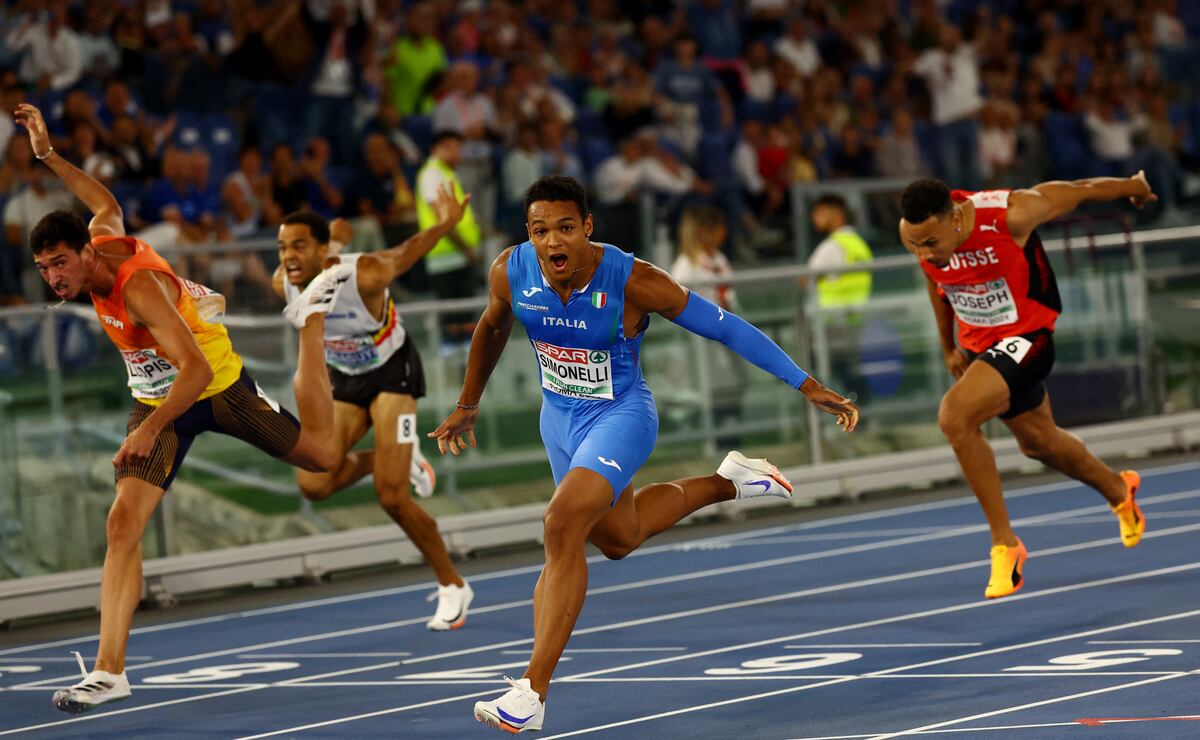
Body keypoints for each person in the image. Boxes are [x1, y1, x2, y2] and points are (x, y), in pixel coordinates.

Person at [429, 175, 859, 733]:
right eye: (540, 231)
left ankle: (531, 692)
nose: (554, 242)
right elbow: (491, 326)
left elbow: (726, 329)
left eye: (565, 228)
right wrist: (467, 402)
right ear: (528, 236)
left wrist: (807, 385)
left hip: (622, 416)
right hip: (558, 421)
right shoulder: (510, 271)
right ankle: (732, 481)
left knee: (562, 525)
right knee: (618, 537)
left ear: (588, 227)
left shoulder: (634, 280)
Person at [15, 102, 342, 714]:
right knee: (121, 525)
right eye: (42, 269)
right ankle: (110, 671)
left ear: (84, 256)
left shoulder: (139, 287)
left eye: (60, 263)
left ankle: (309, 326)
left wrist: (151, 431)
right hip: (154, 400)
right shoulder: (100, 239)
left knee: (322, 457)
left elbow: (191, 371)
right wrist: (46, 155)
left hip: (215, 389)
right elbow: (105, 202)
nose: (53, 279)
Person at [897, 173, 1155, 600]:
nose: (924, 252)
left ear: (956, 218)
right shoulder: (915, 231)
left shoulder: (1011, 214)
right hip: (983, 347)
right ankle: (1118, 488)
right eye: (914, 244)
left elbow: (1081, 191)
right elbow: (936, 285)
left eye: (930, 243)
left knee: (955, 418)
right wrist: (948, 346)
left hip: (1030, 337)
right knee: (1039, 443)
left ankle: (1005, 544)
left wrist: (1134, 185)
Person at [273, 185, 477, 630]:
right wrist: (332, 243)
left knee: (392, 498)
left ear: (323, 249)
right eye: (282, 247)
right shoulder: (283, 283)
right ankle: (395, 458)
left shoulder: (365, 274)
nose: (288, 257)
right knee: (313, 481)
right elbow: (309, 267)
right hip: (346, 378)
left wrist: (446, 222)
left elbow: (409, 249)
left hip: (393, 373)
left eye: (299, 246)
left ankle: (453, 586)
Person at [807, 194, 874, 402]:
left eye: (819, 212)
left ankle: (847, 419)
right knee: (850, 372)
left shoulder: (833, 247)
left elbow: (806, 277)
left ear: (835, 213)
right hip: (854, 319)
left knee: (824, 375)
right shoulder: (858, 244)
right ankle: (863, 417)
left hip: (830, 323)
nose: (814, 218)